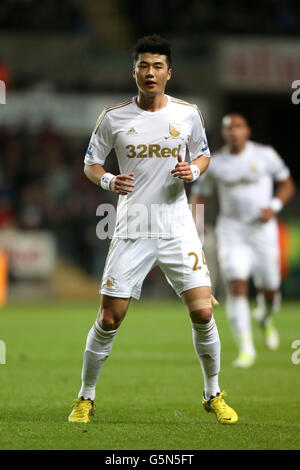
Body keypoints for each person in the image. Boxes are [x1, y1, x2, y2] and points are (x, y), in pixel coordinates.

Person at [68, 35, 238, 424]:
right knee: (110, 317)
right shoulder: (114, 117)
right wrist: (109, 181)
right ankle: (85, 397)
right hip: (132, 225)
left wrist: (193, 170)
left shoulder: (188, 113)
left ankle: (213, 393)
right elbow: (91, 163)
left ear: (168, 73)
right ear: (135, 71)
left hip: (178, 224)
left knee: (202, 313)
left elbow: (204, 153)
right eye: (144, 65)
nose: (150, 72)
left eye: (157, 66)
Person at [190, 114, 295, 368]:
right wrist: (198, 226)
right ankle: (246, 348)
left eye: (237, 127)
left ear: (247, 131)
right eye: (228, 129)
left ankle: (265, 318)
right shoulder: (216, 163)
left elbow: (287, 184)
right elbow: (198, 195)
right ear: (224, 134)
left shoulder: (265, 155)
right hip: (232, 231)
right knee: (236, 284)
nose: (233, 132)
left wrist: (274, 205)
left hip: (263, 231)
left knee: (270, 288)